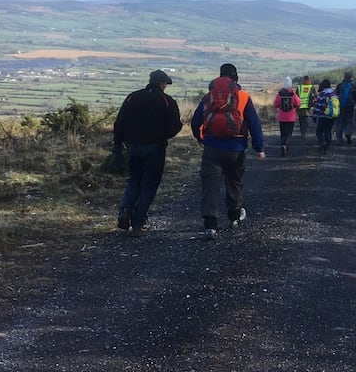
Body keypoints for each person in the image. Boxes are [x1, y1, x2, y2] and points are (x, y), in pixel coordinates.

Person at [192, 63, 266, 240]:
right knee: (234, 182)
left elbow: (195, 121)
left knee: (210, 185)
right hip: (236, 148)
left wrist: (201, 138)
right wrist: (259, 147)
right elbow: (254, 124)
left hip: (212, 147)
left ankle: (210, 226)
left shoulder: (209, 96)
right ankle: (234, 216)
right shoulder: (243, 97)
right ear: (236, 78)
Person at [112, 69, 183, 236]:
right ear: (162, 84)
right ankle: (138, 223)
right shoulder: (166, 101)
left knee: (134, 180)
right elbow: (175, 126)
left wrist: (118, 144)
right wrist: (163, 136)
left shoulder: (133, 97)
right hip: (155, 148)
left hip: (133, 147)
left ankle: (124, 210)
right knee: (149, 185)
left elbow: (119, 122)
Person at [273, 76, 301, 156]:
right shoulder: (293, 94)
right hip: (291, 117)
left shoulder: (279, 94)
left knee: (283, 132)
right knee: (289, 133)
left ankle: (282, 144)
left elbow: (275, 105)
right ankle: (286, 144)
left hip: (281, 117)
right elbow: (298, 103)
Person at [333, 71, 356, 145]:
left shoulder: (339, 86)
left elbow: (334, 97)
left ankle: (339, 140)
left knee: (339, 123)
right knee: (349, 121)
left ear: (344, 77)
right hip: (350, 107)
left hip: (340, 107)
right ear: (351, 78)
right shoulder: (353, 86)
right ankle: (348, 133)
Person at [311, 78, 338, 153]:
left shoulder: (322, 93)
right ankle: (327, 145)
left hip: (323, 116)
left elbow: (318, 105)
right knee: (328, 131)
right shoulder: (334, 93)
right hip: (332, 116)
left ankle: (322, 143)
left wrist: (314, 115)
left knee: (319, 131)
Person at [295, 75, 315, 140]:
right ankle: (304, 134)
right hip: (308, 108)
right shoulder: (311, 87)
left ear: (303, 80)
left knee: (301, 121)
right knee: (305, 121)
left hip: (300, 107)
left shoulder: (299, 87)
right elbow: (315, 96)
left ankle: (302, 133)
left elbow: (296, 96)